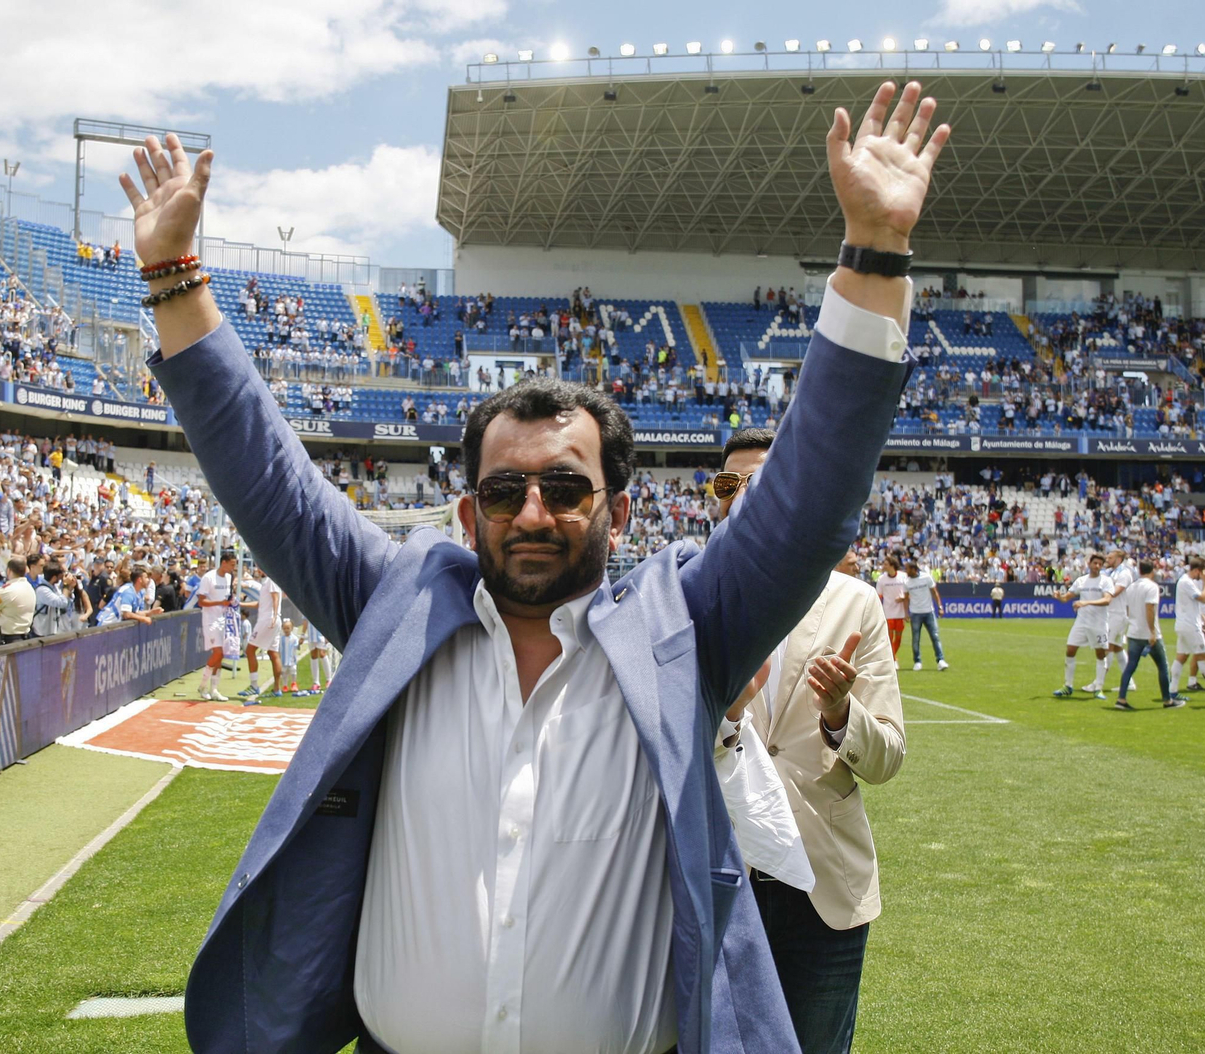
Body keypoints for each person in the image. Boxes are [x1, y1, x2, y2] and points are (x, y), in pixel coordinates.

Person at [121, 79, 950, 1053]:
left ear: (619, 507)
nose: (533, 513)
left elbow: (807, 505)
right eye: (506, 491)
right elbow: (267, 478)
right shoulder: (397, 607)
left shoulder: (684, 631)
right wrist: (175, 273)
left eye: (565, 489)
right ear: (468, 510)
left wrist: (873, 255)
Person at [711, 429, 904, 1054]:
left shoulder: (857, 603)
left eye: (758, 483)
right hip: (717, 880)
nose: (739, 497)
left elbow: (887, 759)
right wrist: (722, 720)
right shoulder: (685, 594)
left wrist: (841, 713)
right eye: (726, 484)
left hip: (822, 889)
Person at [1112, 561, 1186, 710]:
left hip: (1134, 632)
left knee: (1130, 667)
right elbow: (1150, 609)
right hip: (1149, 634)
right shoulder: (1152, 587)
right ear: (1152, 571)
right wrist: (1152, 631)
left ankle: (1121, 698)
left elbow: (1128, 609)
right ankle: (1167, 700)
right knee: (1163, 667)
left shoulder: (1131, 587)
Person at [1052, 553, 1114, 699]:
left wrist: (1086, 603)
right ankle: (1068, 685)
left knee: (1100, 654)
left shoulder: (1105, 581)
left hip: (1098, 623)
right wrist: (1059, 597)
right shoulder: (1081, 581)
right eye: (1095, 563)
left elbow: (1107, 600)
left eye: (1100, 564)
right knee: (1070, 649)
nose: (1097, 566)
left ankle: (1098, 687)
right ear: (1089, 564)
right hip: (1081, 622)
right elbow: (1067, 597)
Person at [194, 552, 238, 701]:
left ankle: (214, 689)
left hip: (224, 619)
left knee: (221, 654)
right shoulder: (209, 577)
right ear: (224, 562)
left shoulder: (228, 578)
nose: (234, 568)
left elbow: (226, 597)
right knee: (217, 653)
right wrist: (220, 603)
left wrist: (231, 601)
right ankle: (202, 685)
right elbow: (201, 602)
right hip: (210, 619)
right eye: (232, 564)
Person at [1170, 557, 1205, 695]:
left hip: (1184, 624)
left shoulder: (1185, 581)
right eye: (1200, 573)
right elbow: (1202, 599)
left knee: (1181, 657)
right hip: (1191, 625)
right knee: (1203, 656)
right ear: (1197, 570)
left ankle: (1172, 690)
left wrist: (1203, 619)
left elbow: (1194, 604)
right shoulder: (1187, 582)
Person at [239, 564, 283, 700]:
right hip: (272, 620)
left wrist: (274, 615)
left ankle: (254, 685)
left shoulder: (271, 581)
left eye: (261, 568)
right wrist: (240, 604)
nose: (259, 570)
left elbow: (275, 598)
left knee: (250, 650)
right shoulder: (267, 583)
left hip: (268, 620)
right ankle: (277, 689)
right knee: (273, 653)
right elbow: (259, 604)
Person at [1099, 548, 1137, 693]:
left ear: (1118, 559)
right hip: (1112, 613)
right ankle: (1130, 683)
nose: (1107, 560)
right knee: (1117, 648)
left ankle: (1098, 682)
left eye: (1110, 558)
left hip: (1117, 614)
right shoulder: (1110, 572)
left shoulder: (1124, 573)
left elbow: (1115, 592)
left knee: (1107, 646)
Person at [901, 560, 948, 672]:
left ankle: (940, 660)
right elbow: (906, 598)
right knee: (916, 639)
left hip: (928, 612)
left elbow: (934, 592)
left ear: (913, 569)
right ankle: (917, 661)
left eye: (907, 569)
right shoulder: (906, 582)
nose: (906, 571)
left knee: (935, 636)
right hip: (915, 613)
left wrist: (940, 607)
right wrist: (906, 613)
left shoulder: (926, 577)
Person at [0, 556, 36, 645]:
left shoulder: (6, 591)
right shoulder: (29, 588)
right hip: (24, 637)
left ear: (9, 571)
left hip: (5, 640)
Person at [96, 567, 161, 626]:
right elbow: (126, 614)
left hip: (117, 626)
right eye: (146, 577)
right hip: (107, 624)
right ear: (140, 579)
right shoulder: (128, 591)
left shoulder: (140, 592)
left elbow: (135, 613)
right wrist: (143, 619)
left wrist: (150, 612)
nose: (149, 580)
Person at [873, 555, 907, 655]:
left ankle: (893, 656)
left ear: (892, 565)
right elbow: (879, 596)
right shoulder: (881, 579)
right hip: (888, 612)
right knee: (889, 637)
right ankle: (893, 659)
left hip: (900, 612)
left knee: (899, 637)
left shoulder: (903, 576)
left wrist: (903, 598)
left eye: (886, 564)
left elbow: (908, 592)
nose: (884, 566)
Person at [304, 616, 331, 694]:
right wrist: (303, 634)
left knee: (322, 654)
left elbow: (326, 619)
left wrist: (327, 634)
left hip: (321, 635)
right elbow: (305, 621)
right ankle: (316, 682)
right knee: (313, 655)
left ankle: (329, 680)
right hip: (311, 635)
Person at [277, 616, 301, 694]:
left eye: (288, 628)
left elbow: (297, 647)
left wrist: (298, 644)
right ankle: (285, 685)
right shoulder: (281, 639)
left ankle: (294, 683)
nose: (286, 630)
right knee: (284, 673)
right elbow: (279, 649)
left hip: (292, 659)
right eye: (285, 628)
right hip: (283, 660)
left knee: (293, 671)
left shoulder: (294, 638)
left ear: (291, 628)